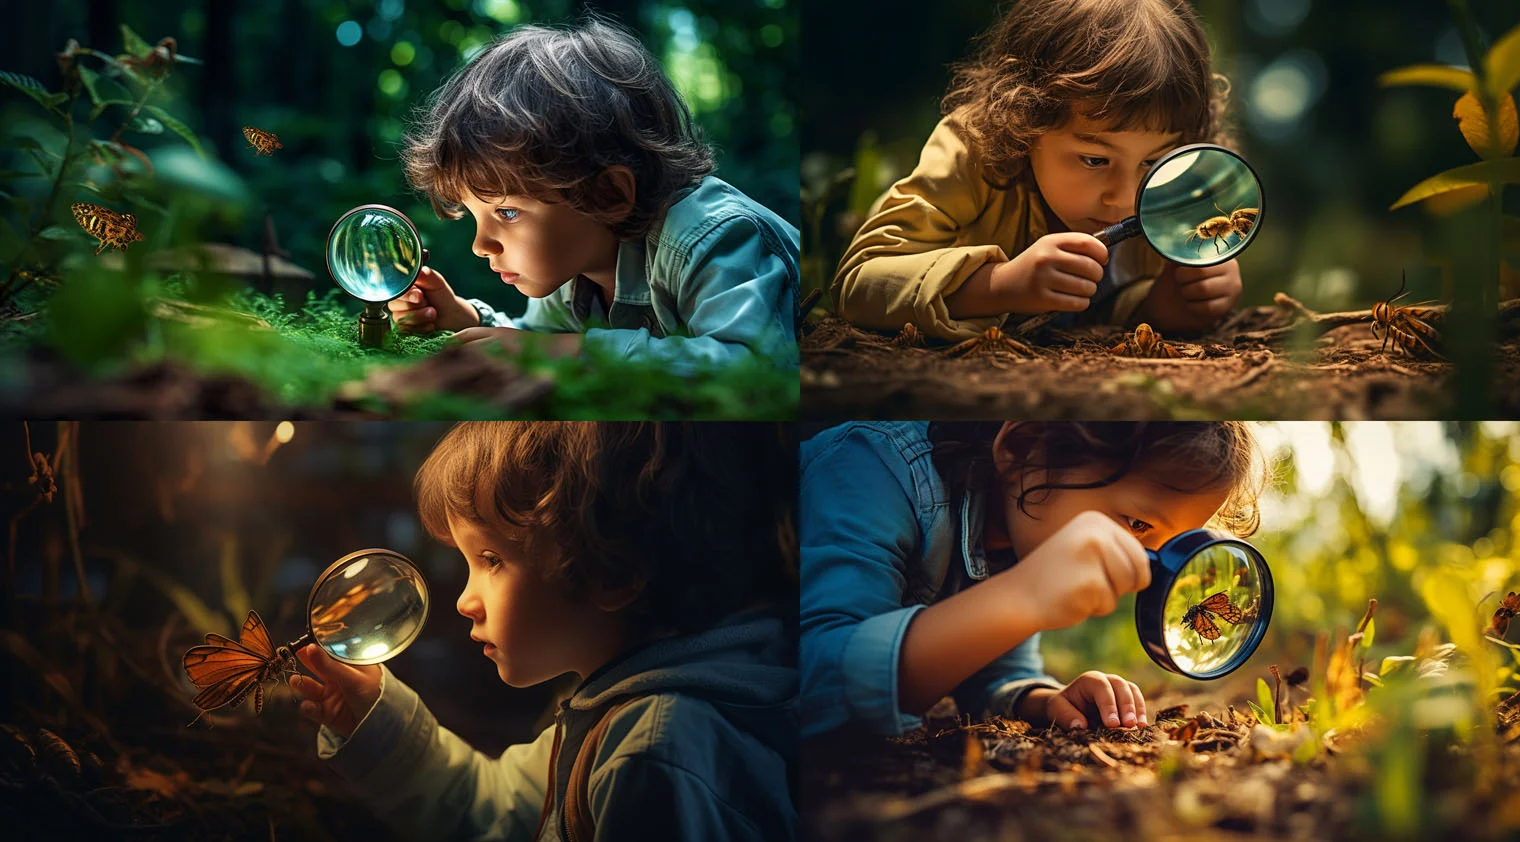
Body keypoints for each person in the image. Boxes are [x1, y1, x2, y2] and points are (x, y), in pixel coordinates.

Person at [293, 422, 798, 841]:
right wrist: (378, 722)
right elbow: (498, 814)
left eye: (491, 559)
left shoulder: (653, 752)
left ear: (612, 572)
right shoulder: (618, 707)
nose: (465, 601)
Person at [799, 421, 1265, 737]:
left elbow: (996, 674)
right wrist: (1020, 598)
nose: (1145, 570)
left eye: (1172, 546)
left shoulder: (1024, 531)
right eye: (1138, 524)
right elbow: (811, 683)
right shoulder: (872, 471)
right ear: (1022, 450)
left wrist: (1042, 699)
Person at [388, 19, 799, 371]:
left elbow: (753, 363)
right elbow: (538, 343)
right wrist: (464, 319)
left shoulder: (711, 237)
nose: (481, 245)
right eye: (475, 214)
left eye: (508, 213)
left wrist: (571, 353)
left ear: (608, 195)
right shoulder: (572, 261)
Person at [832, 0, 1240, 343]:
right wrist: (1001, 284)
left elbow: (1102, 311)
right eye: (1094, 160)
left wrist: (1166, 303)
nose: (1125, 196)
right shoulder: (970, 151)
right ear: (1024, 123)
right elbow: (857, 286)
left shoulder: (1168, 198)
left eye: (1153, 162)